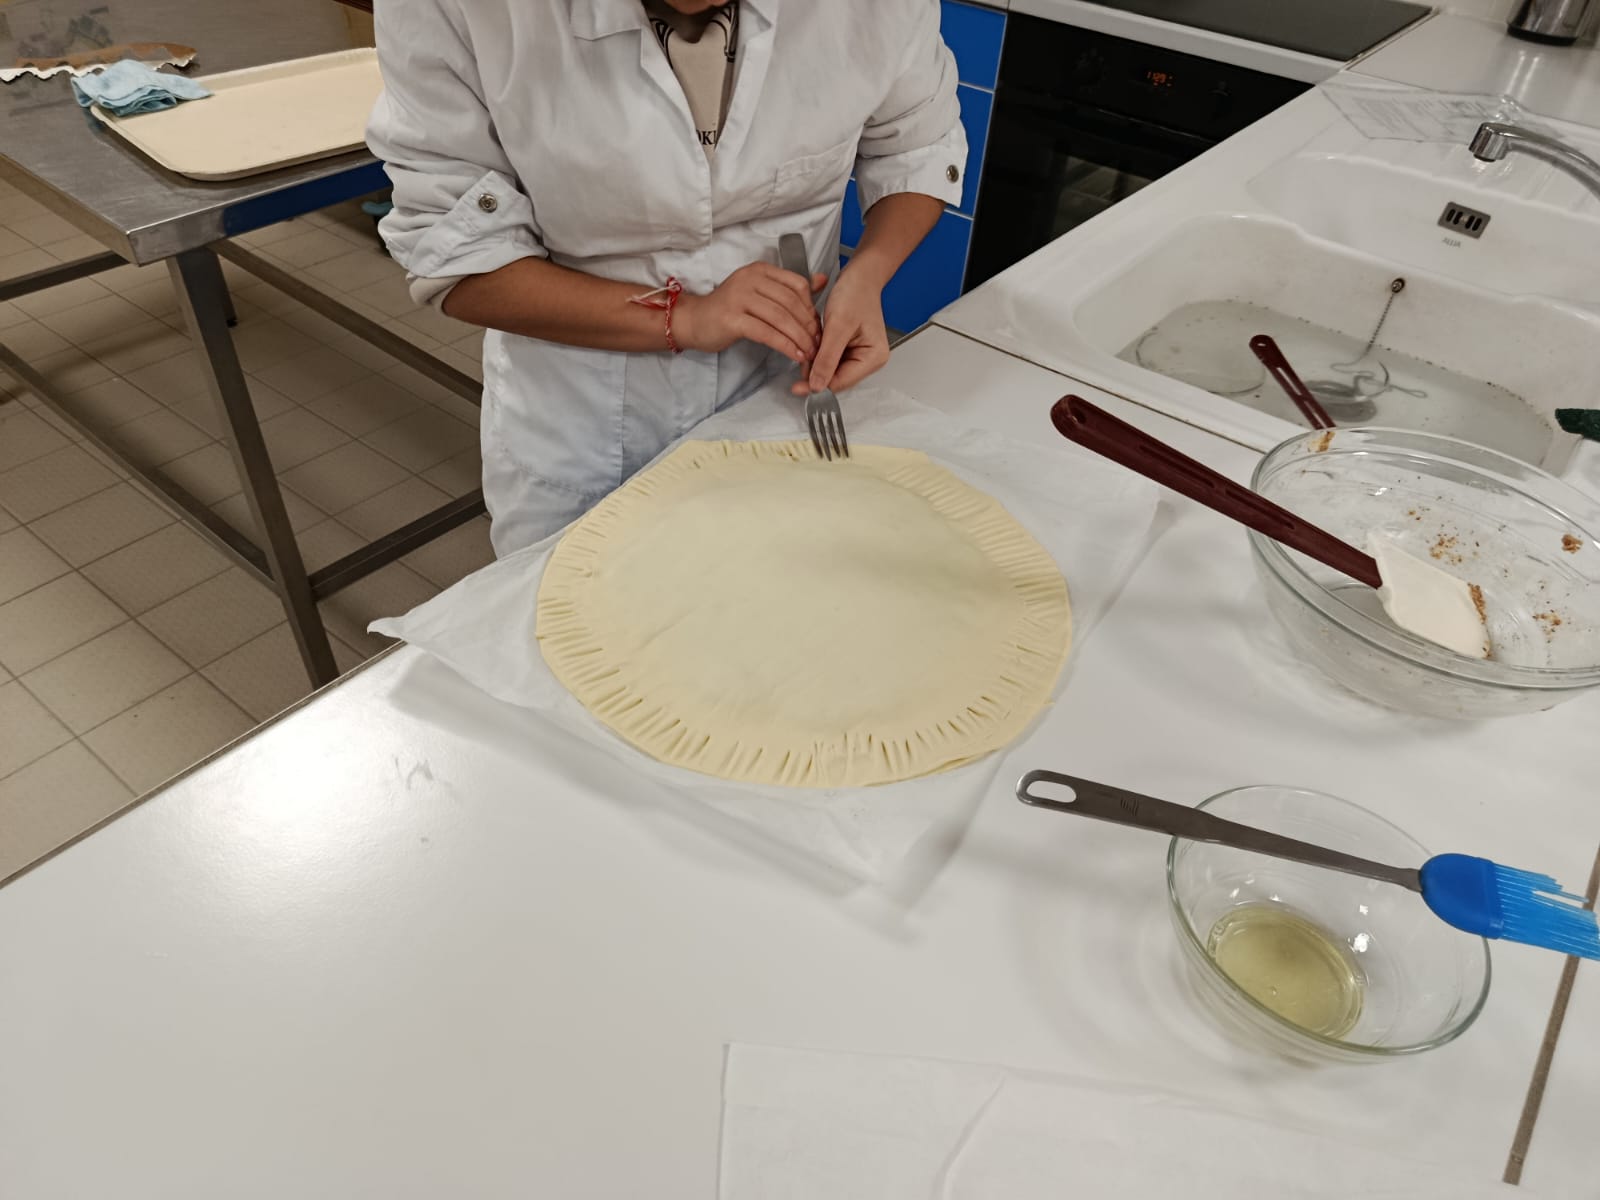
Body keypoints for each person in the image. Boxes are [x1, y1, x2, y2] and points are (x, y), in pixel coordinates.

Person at [367, 0, 968, 554]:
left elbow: (915, 146)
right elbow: (460, 255)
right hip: (587, 427)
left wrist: (867, 274)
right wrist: (687, 316)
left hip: (785, 397)